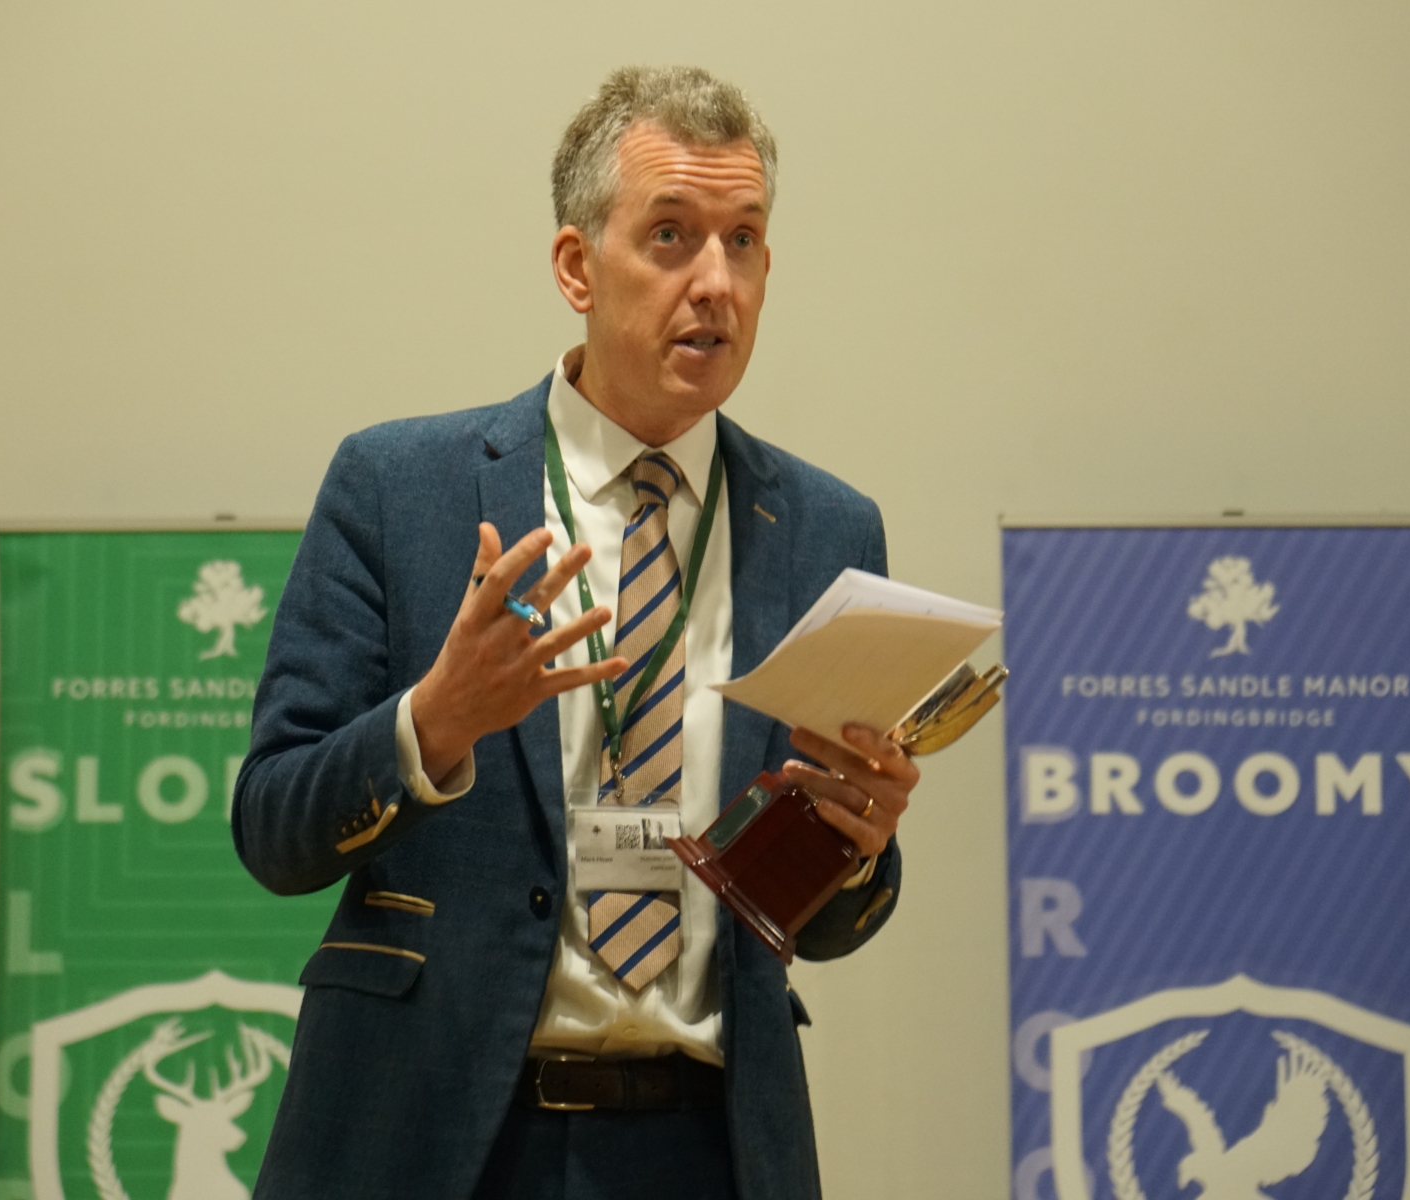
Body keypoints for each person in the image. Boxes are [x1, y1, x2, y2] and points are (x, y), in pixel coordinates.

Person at [233, 66, 920, 1200]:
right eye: (671, 235)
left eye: (744, 240)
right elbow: (274, 830)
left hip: (711, 1149)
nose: (716, 282)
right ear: (575, 267)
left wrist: (855, 840)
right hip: (436, 1136)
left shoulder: (826, 531)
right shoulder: (400, 489)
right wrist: (435, 722)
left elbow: (827, 926)